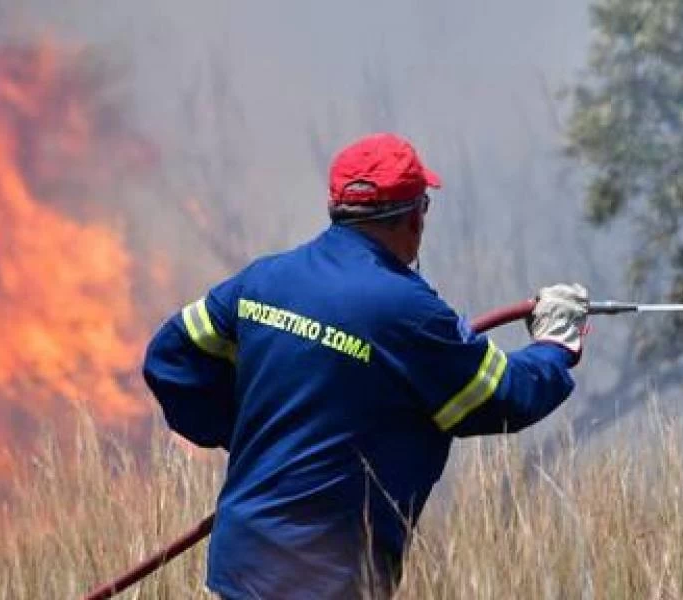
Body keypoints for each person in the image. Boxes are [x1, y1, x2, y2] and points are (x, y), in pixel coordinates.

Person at [143, 132, 590, 599]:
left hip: (241, 563)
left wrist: (250, 436)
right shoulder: (408, 313)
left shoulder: (264, 279)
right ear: (413, 217)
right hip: (325, 577)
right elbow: (502, 397)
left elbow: (170, 358)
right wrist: (556, 345)